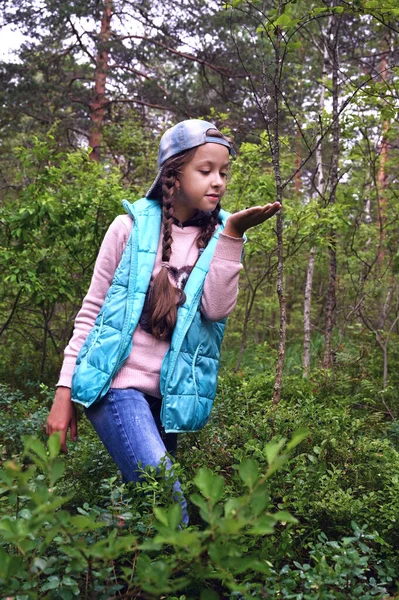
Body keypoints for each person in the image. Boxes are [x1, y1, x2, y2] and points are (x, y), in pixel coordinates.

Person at [46, 119, 281, 522]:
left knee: (146, 513)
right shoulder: (129, 228)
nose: (218, 182)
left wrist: (234, 235)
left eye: (224, 172)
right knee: (170, 507)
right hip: (116, 387)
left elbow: (217, 310)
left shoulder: (223, 235)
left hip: (167, 397)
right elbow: (91, 312)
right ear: (173, 174)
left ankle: (127, 581)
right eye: (205, 170)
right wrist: (63, 393)